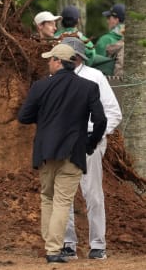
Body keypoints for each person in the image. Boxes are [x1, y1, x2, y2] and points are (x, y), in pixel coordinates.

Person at [18, 43, 107, 264]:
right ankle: (53, 249)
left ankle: (52, 247)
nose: (48, 62)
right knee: (62, 201)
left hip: (45, 152)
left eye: (50, 59)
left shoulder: (40, 87)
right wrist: (90, 143)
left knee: (48, 197)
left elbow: (24, 117)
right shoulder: (88, 87)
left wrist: (45, 120)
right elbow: (101, 120)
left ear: (59, 61)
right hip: (73, 152)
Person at [60, 37, 122, 260]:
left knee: (92, 193)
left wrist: (96, 137)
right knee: (64, 194)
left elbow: (113, 112)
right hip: (63, 141)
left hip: (89, 141)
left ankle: (98, 244)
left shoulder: (95, 77)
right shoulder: (55, 77)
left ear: (75, 57)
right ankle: (68, 243)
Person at [95, 4, 125, 77]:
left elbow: (96, 68)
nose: (107, 20)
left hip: (110, 84)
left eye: (109, 17)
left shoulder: (105, 40)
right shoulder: (135, 40)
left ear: (116, 20)